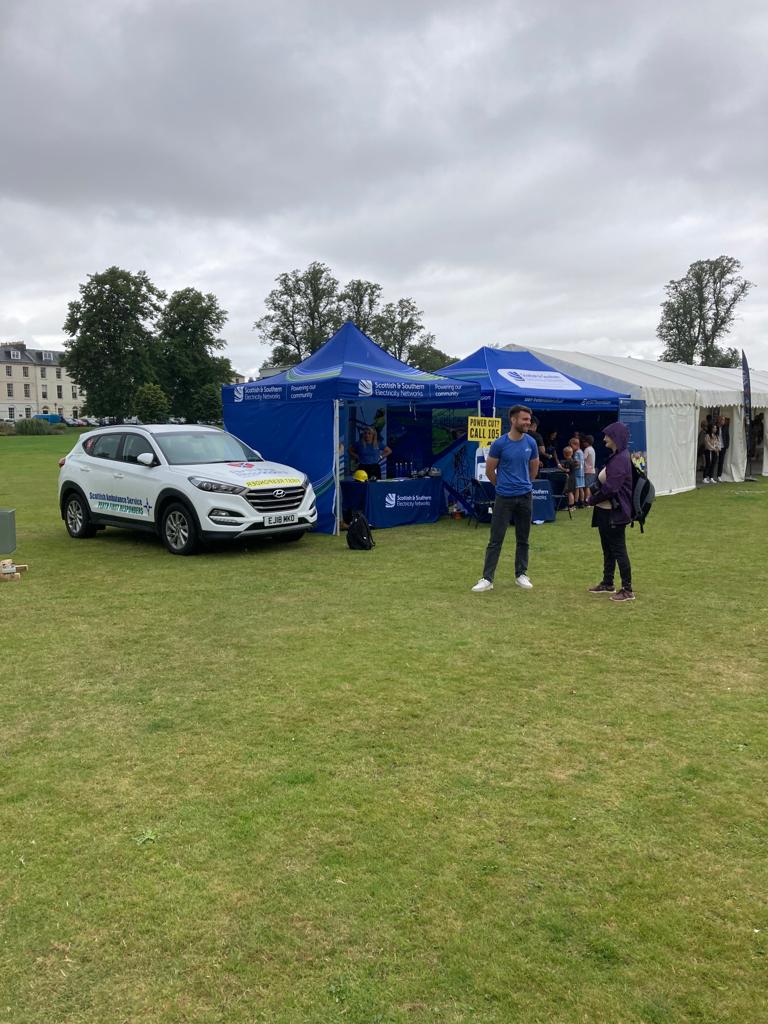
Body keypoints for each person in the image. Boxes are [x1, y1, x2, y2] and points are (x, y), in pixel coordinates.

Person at [471, 405, 540, 592]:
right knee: (495, 540)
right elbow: (489, 470)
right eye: (524, 419)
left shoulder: (531, 443)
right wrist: (501, 486)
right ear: (513, 420)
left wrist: (526, 484)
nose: (528, 423)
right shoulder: (500, 443)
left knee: (523, 538)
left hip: (525, 496)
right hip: (504, 497)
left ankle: (521, 574)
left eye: (529, 419)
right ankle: (487, 579)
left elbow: (534, 467)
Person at [585, 422, 635, 601]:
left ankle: (627, 589)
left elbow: (611, 488)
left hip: (614, 512)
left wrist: (592, 499)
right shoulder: (617, 456)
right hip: (606, 511)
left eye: (607, 435)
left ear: (615, 437)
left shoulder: (620, 458)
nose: (604, 438)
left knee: (618, 550)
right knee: (608, 549)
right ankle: (608, 582)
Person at [715, 415, 730, 481]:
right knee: (714, 461)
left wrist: (727, 445)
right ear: (719, 420)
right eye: (722, 420)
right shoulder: (715, 427)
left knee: (721, 462)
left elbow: (727, 436)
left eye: (724, 420)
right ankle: (710, 476)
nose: (723, 421)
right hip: (715, 447)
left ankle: (719, 475)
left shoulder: (725, 427)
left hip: (723, 447)